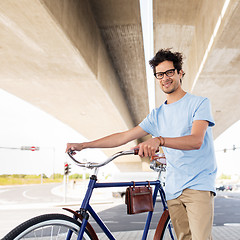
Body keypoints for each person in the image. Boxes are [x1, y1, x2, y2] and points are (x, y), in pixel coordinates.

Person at [66, 48, 217, 240]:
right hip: (173, 187)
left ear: (180, 73)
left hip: (198, 184)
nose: (165, 78)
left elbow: (196, 140)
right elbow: (124, 136)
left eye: (169, 72)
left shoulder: (199, 103)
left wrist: (159, 140)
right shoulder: (157, 115)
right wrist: (84, 145)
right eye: (160, 75)